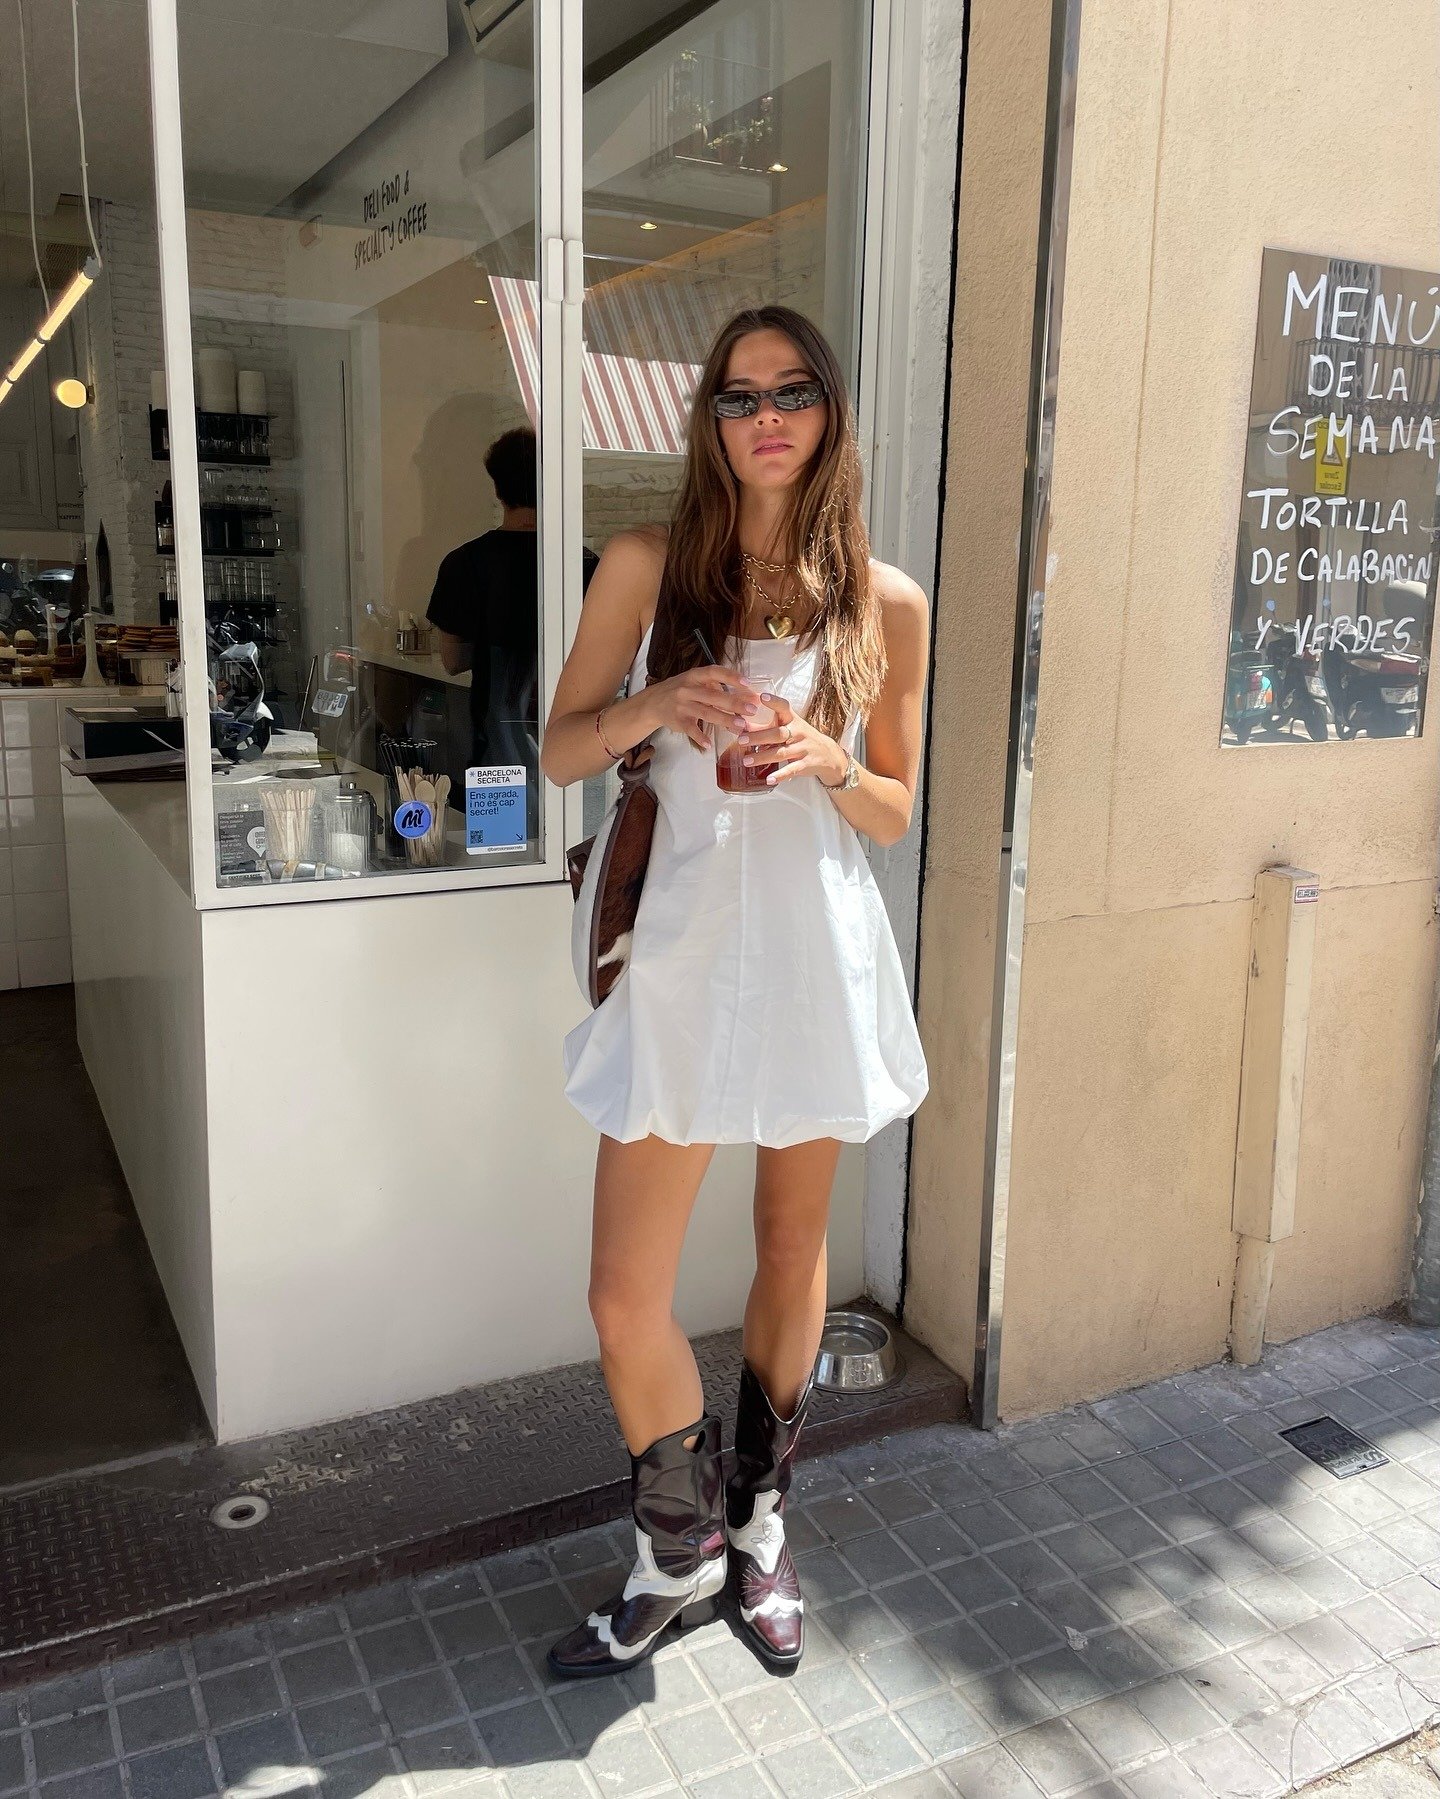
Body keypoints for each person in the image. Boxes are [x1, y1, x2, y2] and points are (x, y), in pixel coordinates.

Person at [538, 305, 930, 1678]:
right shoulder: (651, 567)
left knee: (787, 1243)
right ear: (708, 419)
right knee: (622, 1291)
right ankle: (675, 1541)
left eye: (795, 390)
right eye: (739, 396)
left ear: (830, 410)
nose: (767, 416)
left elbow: (891, 810)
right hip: (683, 958)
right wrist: (658, 707)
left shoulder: (883, 598)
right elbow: (558, 746)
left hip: (812, 955)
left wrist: (831, 758)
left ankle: (759, 1527)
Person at [426, 426, 596, 841]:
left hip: (496, 746)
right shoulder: (588, 565)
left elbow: (452, 662)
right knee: (574, 852)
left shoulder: (465, 563)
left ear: (498, 489)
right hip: (580, 743)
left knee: (502, 857)